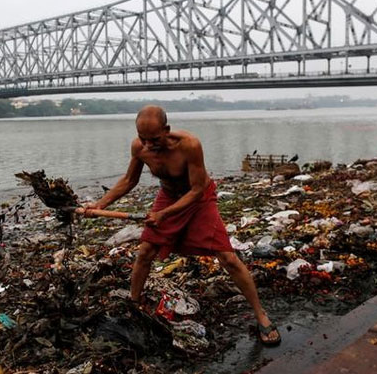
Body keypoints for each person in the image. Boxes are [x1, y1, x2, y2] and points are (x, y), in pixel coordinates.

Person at [85, 105, 281, 346]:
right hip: (168, 196)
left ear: (167, 130)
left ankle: (261, 315)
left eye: (154, 139)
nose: (148, 145)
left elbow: (198, 189)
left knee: (227, 257)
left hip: (199, 199)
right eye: (142, 138)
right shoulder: (140, 147)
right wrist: (99, 205)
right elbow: (129, 180)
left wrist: (163, 215)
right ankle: (133, 306)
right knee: (145, 251)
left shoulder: (189, 144)